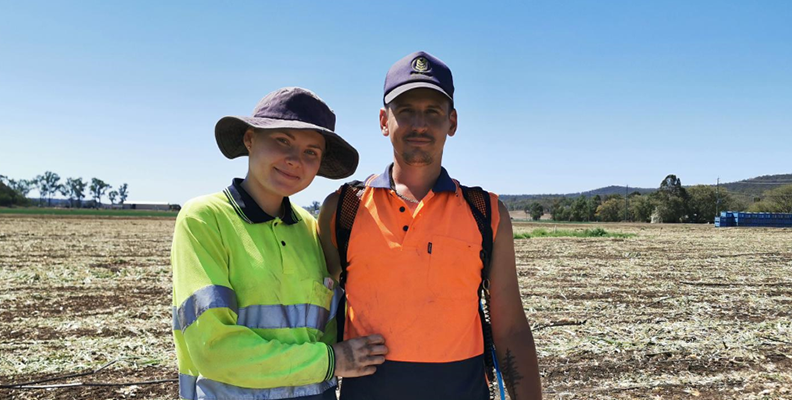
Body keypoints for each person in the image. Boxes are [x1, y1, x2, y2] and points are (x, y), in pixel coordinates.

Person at [318, 52, 541, 399]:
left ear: (452, 122)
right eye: (405, 111)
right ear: (383, 121)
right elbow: (317, 317)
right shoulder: (343, 209)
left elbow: (510, 328)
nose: (419, 123)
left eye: (433, 112)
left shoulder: (487, 212)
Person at [171, 87, 387, 400]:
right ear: (250, 139)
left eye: (311, 152)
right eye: (282, 141)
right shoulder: (204, 219)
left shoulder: (312, 230)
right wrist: (332, 360)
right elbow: (214, 348)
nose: (294, 160)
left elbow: (326, 329)